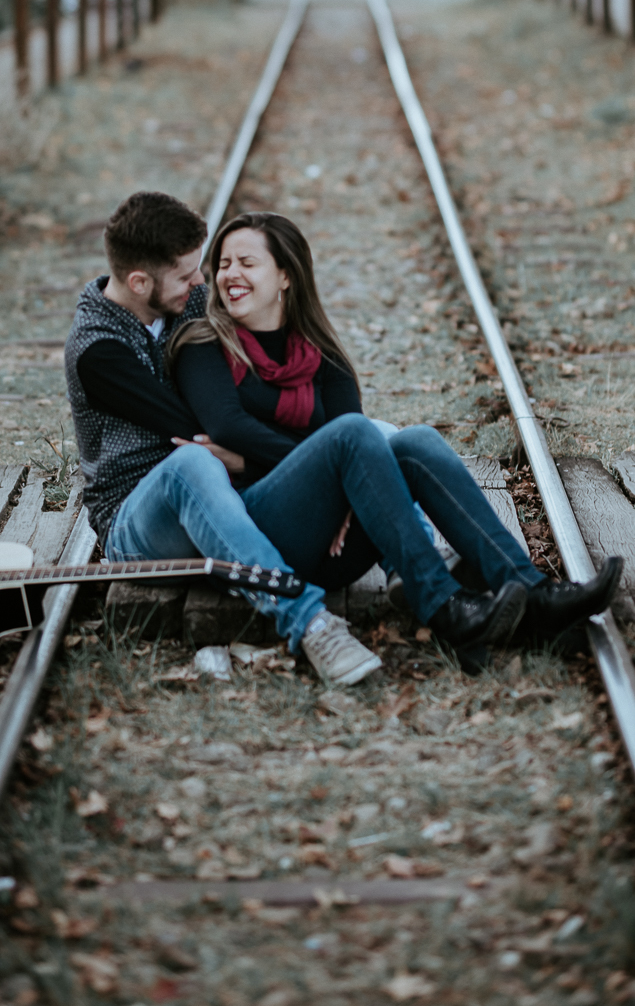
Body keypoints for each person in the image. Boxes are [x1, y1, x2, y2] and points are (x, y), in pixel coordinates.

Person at [168, 210, 622, 666]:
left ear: (286, 275)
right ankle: (444, 606)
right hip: (258, 537)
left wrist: (338, 478)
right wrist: (336, 470)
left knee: (416, 442)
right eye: (223, 263)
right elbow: (229, 427)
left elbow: (353, 442)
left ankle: (532, 590)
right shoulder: (203, 344)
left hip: (338, 546)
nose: (230, 274)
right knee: (352, 438)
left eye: (246, 262)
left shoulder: (321, 354)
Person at [65, 190, 386, 685]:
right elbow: (205, 428)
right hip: (137, 521)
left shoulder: (182, 298)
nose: (204, 282)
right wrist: (305, 463)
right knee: (194, 464)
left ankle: (427, 561)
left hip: (225, 496)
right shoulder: (99, 352)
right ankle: (309, 623)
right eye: (188, 274)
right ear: (138, 281)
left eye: (201, 268)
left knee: (377, 434)